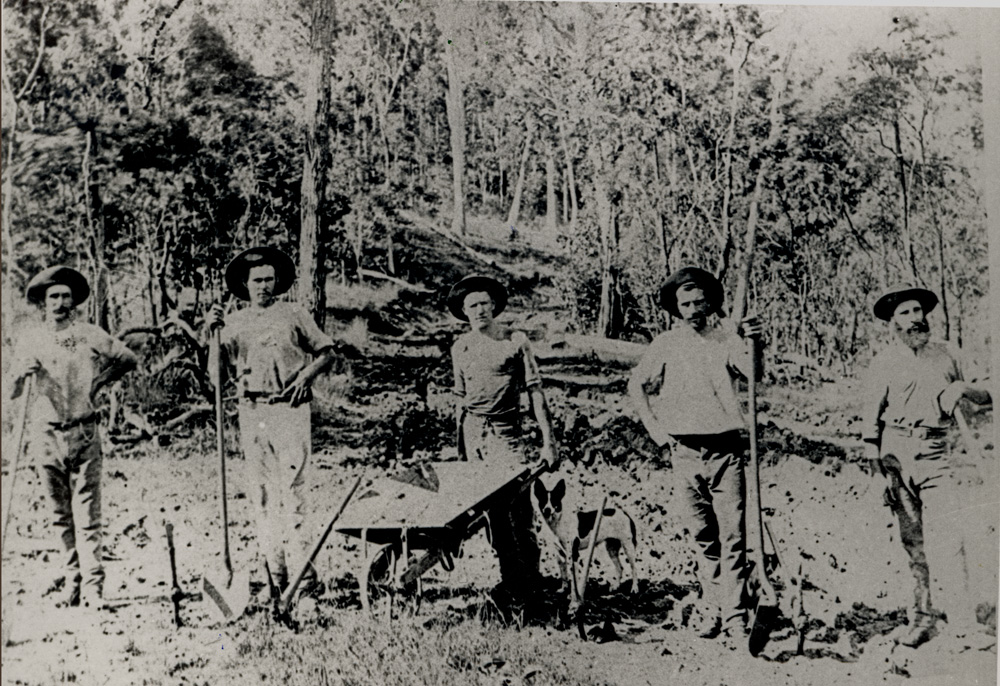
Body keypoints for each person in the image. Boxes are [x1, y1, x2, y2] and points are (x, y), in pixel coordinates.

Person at [628, 266, 762, 646]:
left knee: (733, 536)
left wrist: (756, 343)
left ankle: (735, 616)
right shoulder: (666, 344)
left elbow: (753, 375)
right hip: (683, 451)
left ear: (710, 302)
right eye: (685, 303)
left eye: (699, 301)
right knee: (704, 535)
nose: (692, 309)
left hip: (725, 450)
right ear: (675, 307)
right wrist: (656, 432)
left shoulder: (727, 339)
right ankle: (715, 603)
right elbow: (636, 385)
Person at [208, 247, 343, 611]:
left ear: (278, 282)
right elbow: (216, 378)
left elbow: (328, 352)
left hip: (290, 411)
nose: (264, 286)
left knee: (294, 497)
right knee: (262, 498)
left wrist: (306, 376)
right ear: (244, 284)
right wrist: (213, 337)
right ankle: (275, 580)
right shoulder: (232, 322)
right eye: (257, 281)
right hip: (252, 411)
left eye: (269, 279)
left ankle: (306, 587)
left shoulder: (294, 313)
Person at [863, 284, 993, 648]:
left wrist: (963, 389)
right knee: (913, 542)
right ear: (892, 322)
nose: (915, 319)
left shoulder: (947, 354)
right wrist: (878, 475)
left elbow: (989, 391)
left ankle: (964, 622)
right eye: (905, 313)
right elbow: (869, 424)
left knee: (950, 537)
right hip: (895, 454)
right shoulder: (883, 362)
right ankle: (922, 618)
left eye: (918, 311)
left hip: (935, 452)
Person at [8, 266, 137, 609]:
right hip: (46, 435)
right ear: (43, 303)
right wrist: (21, 377)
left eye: (66, 296)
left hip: (84, 430)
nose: (61, 303)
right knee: (59, 514)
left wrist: (101, 381)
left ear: (74, 301)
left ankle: (94, 588)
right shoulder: (30, 339)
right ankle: (72, 583)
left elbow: (127, 358)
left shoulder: (89, 334)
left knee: (88, 513)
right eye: (54, 297)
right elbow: (10, 392)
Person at [447, 275, 557, 612]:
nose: (479, 310)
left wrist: (549, 442)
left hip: (507, 434)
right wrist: (460, 448)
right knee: (491, 513)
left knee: (517, 510)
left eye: (484, 304)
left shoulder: (514, 342)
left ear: (494, 306)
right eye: (471, 306)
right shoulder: (461, 347)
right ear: (464, 312)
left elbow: (536, 392)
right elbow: (460, 399)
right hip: (473, 433)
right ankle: (512, 583)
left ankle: (530, 583)